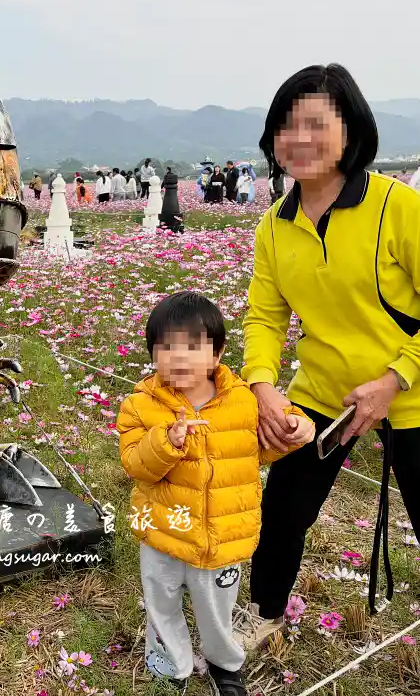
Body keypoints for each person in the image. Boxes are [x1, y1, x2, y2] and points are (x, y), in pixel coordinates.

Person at [237, 64, 420, 696]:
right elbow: (265, 316)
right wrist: (264, 386)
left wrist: (394, 379)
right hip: (324, 393)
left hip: (419, 396)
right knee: (284, 509)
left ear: (350, 135)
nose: (298, 138)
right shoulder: (276, 224)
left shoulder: (397, 206)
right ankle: (266, 615)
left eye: (315, 125)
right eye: (285, 126)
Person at [118, 291, 314, 696]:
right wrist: (166, 442)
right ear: (153, 354)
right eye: (166, 347)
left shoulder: (242, 401)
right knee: (162, 601)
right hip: (163, 533)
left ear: (219, 351)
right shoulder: (140, 406)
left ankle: (225, 665)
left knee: (216, 610)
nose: (180, 357)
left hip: (223, 535)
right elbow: (136, 465)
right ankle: (171, 660)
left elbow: (261, 447)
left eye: (193, 346)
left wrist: (296, 428)